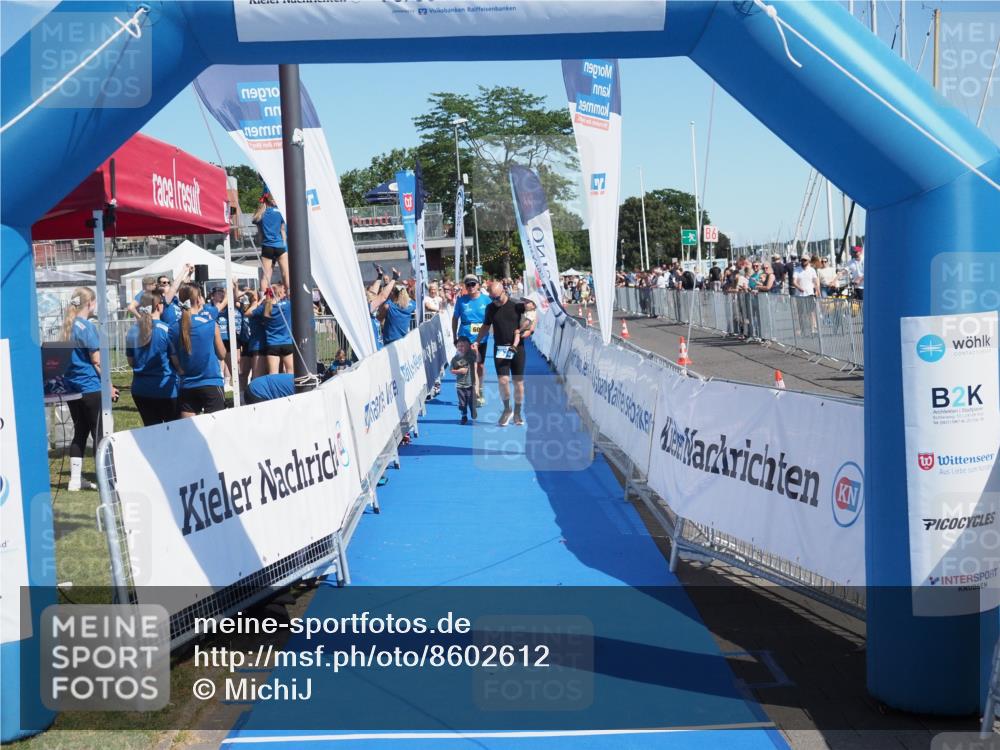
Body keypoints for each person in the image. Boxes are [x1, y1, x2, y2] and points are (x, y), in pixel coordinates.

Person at [61, 287, 117, 491]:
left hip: (73, 388)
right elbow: (97, 361)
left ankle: (75, 480)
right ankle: (106, 480)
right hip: (91, 387)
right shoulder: (87, 327)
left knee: (80, 432)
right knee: (101, 433)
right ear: (90, 303)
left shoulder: (67, 326)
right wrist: (109, 385)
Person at [474, 280, 533, 427]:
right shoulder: (490, 308)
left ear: (504, 292)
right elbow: (486, 326)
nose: (495, 301)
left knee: (518, 382)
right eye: (492, 298)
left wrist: (530, 329)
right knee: (503, 381)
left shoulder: (517, 305)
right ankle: (507, 409)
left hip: (517, 348)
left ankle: (517, 412)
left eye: (497, 298)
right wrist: (477, 341)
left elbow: (533, 312)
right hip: (500, 348)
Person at [169, 283, 227, 417]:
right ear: (199, 299)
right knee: (216, 427)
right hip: (211, 382)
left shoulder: (173, 328)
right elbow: (222, 354)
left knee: (188, 429)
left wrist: (180, 369)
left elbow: (174, 356)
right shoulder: (210, 324)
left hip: (186, 384)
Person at [126, 291, 177, 425]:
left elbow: (131, 362)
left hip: (141, 390)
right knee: (173, 431)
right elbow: (176, 361)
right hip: (165, 388)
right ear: (159, 306)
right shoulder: (166, 330)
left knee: (151, 431)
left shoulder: (132, 331)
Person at [452, 274, 491, 407]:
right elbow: (455, 318)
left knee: (480, 365)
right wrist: (454, 337)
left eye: (473, 284)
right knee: (471, 365)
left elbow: (492, 318)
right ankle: (475, 394)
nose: (470, 287)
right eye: (468, 285)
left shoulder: (486, 300)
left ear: (478, 285)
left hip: (482, 338)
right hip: (465, 337)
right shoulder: (461, 301)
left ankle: (480, 388)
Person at [248, 282, 294, 375]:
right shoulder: (287, 305)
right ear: (279, 293)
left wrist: (257, 302)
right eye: (283, 292)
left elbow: (248, 313)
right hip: (287, 342)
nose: (285, 294)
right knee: (290, 372)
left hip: (272, 344)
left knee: (273, 373)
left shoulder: (265, 307)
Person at [253, 192, 288, 291]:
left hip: (267, 246)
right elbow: (282, 230)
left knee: (265, 277)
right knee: (285, 273)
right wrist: (284, 244)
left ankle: (264, 298)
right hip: (279, 246)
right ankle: (289, 295)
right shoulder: (279, 212)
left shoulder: (260, 214)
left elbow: (260, 234)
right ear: (272, 201)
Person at [450, 336, 478, 424]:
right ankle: (464, 416)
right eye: (459, 346)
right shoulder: (455, 359)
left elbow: (476, 358)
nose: (461, 348)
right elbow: (451, 370)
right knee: (462, 404)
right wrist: (459, 371)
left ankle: (473, 410)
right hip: (460, 385)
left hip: (470, 385)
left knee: (471, 402)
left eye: (463, 346)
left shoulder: (471, 356)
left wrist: (475, 350)